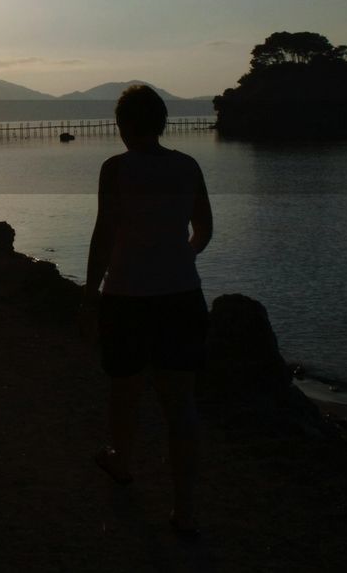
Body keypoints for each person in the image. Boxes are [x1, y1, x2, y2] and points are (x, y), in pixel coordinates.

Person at [82, 84, 213, 538]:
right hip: (182, 297)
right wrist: (180, 257)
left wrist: (90, 289)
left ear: (122, 126)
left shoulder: (115, 169)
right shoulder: (188, 166)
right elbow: (204, 230)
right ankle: (186, 509)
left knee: (125, 391)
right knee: (181, 405)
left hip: (127, 297)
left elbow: (104, 235)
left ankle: (120, 461)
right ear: (162, 123)